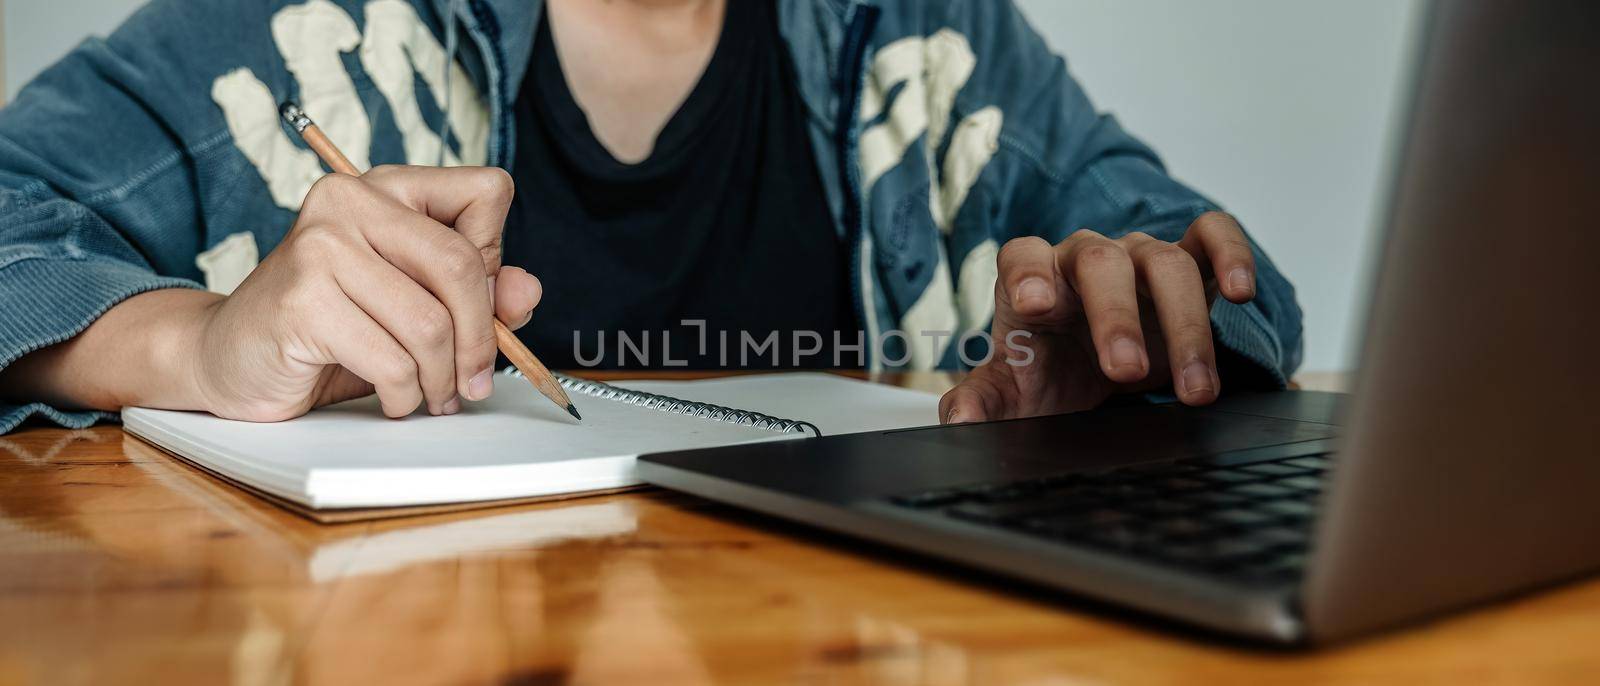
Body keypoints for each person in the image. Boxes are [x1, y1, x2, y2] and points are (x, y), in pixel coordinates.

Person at [0, 0, 1302, 435]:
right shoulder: (320, 32)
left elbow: (1218, 278)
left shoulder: (917, 31)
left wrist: (1139, 336)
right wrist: (205, 346)